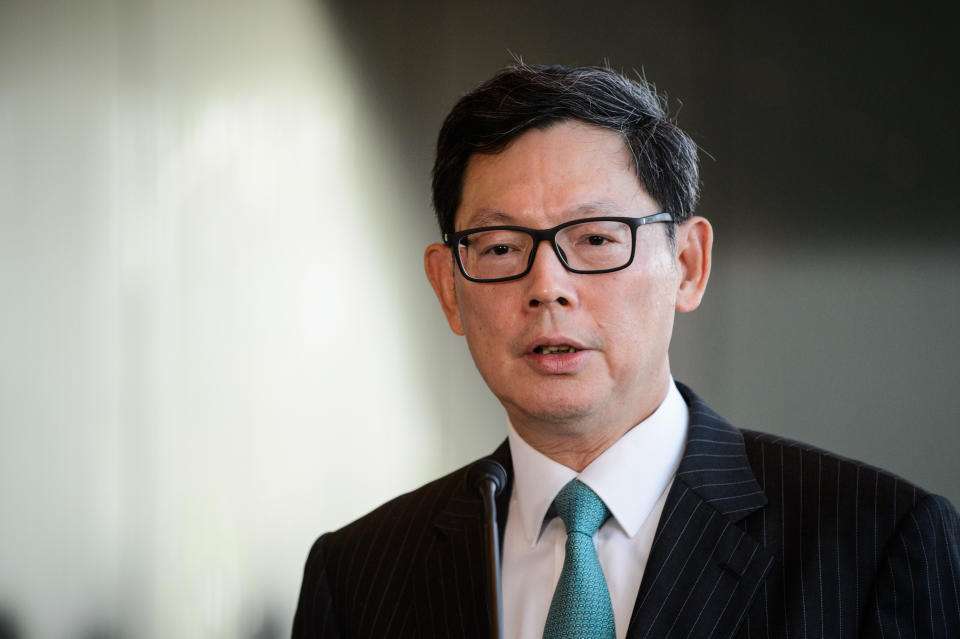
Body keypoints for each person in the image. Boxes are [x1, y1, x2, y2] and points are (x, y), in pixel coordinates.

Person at [292, 64, 960, 638]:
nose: (546, 287)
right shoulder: (356, 576)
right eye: (499, 248)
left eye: (596, 239)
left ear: (689, 264)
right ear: (448, 287)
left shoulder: (875, 542)